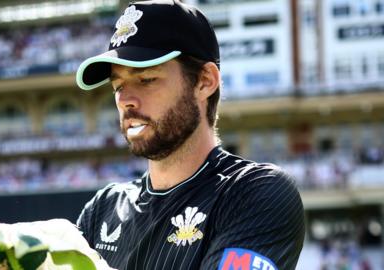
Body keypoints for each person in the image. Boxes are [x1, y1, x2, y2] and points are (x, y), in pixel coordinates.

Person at [75, 0, 305, 269]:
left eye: (146, 79)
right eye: (117, 86)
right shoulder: (103, 209)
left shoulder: (255, 192)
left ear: (205, 81)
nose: (126, 99)